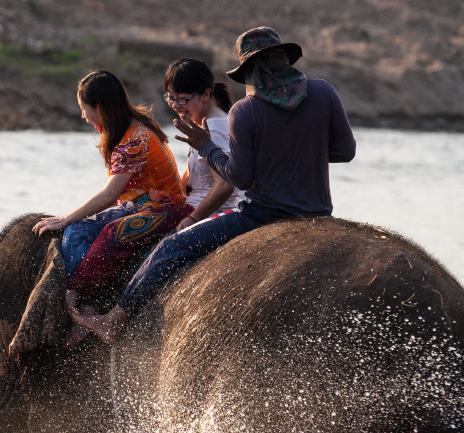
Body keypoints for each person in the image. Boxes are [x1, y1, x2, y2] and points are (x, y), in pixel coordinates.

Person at [72, 26, 356, 343]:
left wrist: (206, 147)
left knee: (171, 247)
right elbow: (345, 152)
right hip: (318, 212)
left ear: (248, 71)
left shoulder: (245, 111)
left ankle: (114, 319)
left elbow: (239, 178)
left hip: (261, 216)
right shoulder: (325, 92)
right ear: (286, 61)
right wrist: (301, 148)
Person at [32, 70, 189, 323]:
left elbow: (109, 195)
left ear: (100, 107)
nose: (83, 116)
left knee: (77, 231)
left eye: (84, 109)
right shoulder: (140, 126)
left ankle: (77, 302)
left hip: (157, 211)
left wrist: (65, 219)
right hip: (144, 205)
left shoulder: (133, 141)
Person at [162, 58, 244, 231]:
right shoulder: (210, 120)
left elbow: (225, 184)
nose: (175, 105)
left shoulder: (212, 129)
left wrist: (192, 219)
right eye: (171, 98)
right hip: (197, 205)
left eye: (183, 99)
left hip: (209, 212)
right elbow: (190, 173)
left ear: (205, 94)